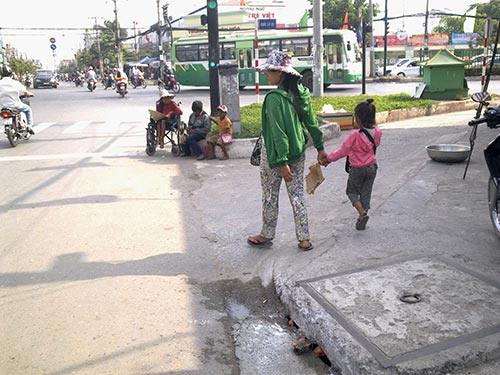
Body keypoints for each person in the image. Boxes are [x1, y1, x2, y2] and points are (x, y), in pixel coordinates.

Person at [247, 50, 328, 251]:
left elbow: (278, 133)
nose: (266, 74)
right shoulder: (302, 93)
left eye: (270, 71)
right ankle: (304, 238)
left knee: (270, 195)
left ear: (281, 73)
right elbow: (311, 122)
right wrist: (320, 148)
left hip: (275, 156)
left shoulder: (274, 98)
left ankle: (266, 234)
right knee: (298, 194)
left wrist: (282, 163)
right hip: (298, 152)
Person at [323, 98, 382, 230]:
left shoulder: (355, 135)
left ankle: (361, 212)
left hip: (357, 169)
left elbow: (343, 151)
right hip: (372, 168)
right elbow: (376, 144)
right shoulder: (377, 131)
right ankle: (363, 214)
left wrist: (328, 159)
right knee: (366, 193)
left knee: (352, 191)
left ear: (358, 119)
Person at [0, 66, 35, 134]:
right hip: (15, 105)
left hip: (2, 107)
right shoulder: (14, 82)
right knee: (28, 109)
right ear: (11, 74)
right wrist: (30, 94)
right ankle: (30, 126)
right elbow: (25, 92)